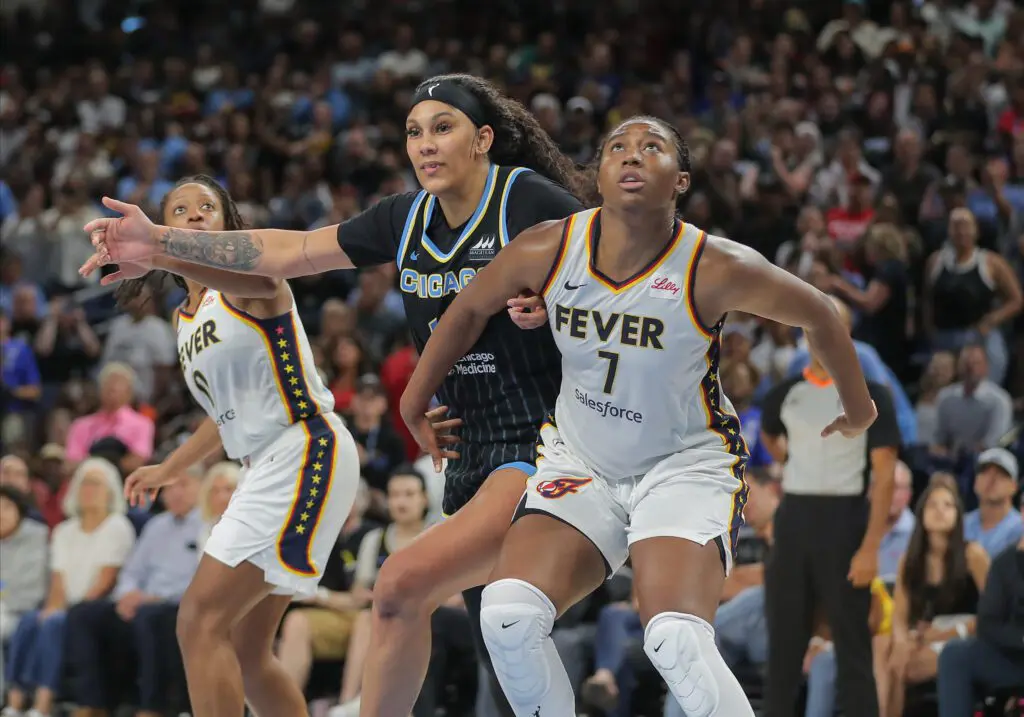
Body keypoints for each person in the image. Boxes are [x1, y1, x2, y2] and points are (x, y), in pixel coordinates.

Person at [80, 74, 586, 717]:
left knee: (396, 589)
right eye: (413, 132)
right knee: (501, 643)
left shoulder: (526, 200)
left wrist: (557, 303)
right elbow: (293, 248)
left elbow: (611, 272)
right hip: (465, 447)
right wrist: (157, 244)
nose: (426, 144)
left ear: (483, 139)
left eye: (443, 127)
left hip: (541, 439)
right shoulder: (403, 219)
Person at [399, 116, 878, 717]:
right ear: (597, 174)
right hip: (583, 462)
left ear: (679, 181)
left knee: (674, 639)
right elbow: (465, 310)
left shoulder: (713, 265)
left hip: (683, 466)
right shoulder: (549, 247)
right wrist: (412, 400)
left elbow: (821, 314)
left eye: (651, 148)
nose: (631, 155)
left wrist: (859, 409)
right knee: (508, 616)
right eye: (617, 147)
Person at [105, 175, 361, 717]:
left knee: (198, 620)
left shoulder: (246, 282)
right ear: (167, 224)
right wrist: (167, 468)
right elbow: (224, 416)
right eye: (181, 209)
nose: (195, 215)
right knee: (245, 650)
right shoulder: (184, 319)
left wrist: (159, 250)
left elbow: (262, 275)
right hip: (264, 461)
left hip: (304, 448)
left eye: (207, 207)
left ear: (229, 226)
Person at [759, 298, 901, 717]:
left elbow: (886, 476)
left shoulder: (872, 396)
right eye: (814, 325)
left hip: (846, 522)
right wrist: (791, 462)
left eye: (832, 325)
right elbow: (770, 438)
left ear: (847, 333)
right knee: (783, 645)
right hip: (794, 521)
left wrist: (871, 546)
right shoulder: (785, 393)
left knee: (852, 644)